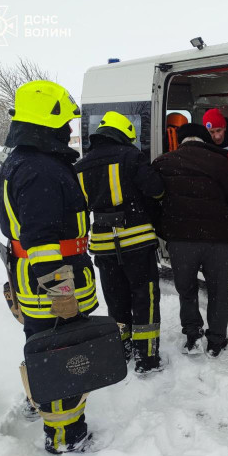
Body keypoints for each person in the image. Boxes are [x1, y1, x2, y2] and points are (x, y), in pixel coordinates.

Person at [0, 80, 97, 454]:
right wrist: (62, 294)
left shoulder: (26, 162)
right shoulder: (40, 169)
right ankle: (66, 436)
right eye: (63, 124)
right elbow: (41, 241)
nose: (68, 130)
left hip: (41, 284)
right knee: (62, 359)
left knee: (43, 350)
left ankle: (42, 400)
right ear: (46, 123)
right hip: (52, 288)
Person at [74, 111, 165, 373]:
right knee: (145, 297)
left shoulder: (81, 166)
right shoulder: (131, 156)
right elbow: (156, 189)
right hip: (137, 242)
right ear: (125, 134)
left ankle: (122, 348)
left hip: (103, 246)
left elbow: (79, 208)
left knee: (116, 299)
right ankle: (147, 357)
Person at [152, 123, 228, 357]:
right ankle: (216, 341)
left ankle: (193, 335)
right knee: (217, 291)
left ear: (180, 140)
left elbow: (151, 201)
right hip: (217, 240)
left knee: (187, 290)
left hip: (181, 241)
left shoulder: (163, 163)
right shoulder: (219, 161)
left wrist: (166, 230)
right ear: (205, 140)